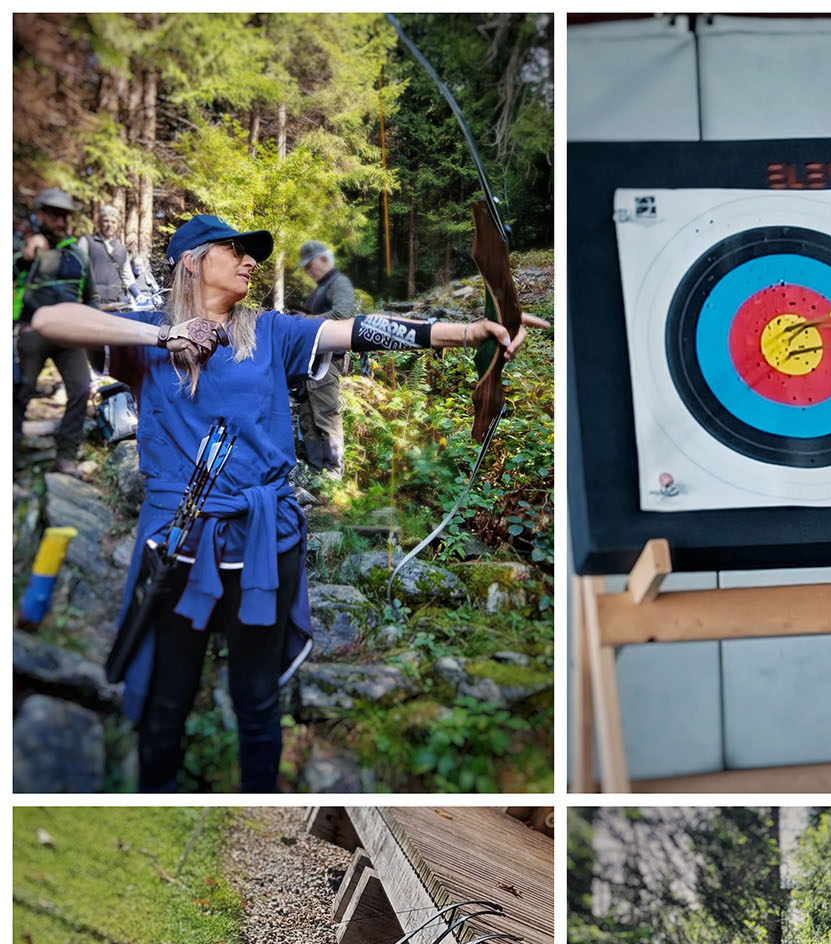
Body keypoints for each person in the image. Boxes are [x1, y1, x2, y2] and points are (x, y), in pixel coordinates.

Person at [29, 210, 545, 793]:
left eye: (254, 253)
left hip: (263, 542)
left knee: (256, 699)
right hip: (177, 541)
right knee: (167, 702)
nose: (252, 261)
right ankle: (156, 797)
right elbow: (49, 318)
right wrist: (163, 335)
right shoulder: (146, 334)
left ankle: (260, 803)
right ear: (195, 261)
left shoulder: (271, 331)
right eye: (236, 250)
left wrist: (466, 331)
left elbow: (360, 330)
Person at [15, 187, 99, 475]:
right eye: (54, 215)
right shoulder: (26, 246)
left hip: (70, 334)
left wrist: (93, 326)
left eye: (64, 215)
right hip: (31, 331)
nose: (60, 220)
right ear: (40, 215)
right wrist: (26, 256)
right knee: (20, 390)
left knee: (81, 389)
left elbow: (92, 297)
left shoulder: (77, 254)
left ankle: (65, 457)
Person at [296, 240, 355, 477]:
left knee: (326, 414)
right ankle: (315, 469)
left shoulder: (339, 282)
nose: (307, 272)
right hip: (312, 361)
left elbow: (343, 314)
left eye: (309, 266)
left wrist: (302, 322)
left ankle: (333, 472)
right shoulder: (320, 288)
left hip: (328, 360)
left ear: (323, 259)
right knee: (308, 417)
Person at [81, 202, 134, 310]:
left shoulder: (121, 249)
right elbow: (78, 270)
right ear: (99, 223)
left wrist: (137, 294)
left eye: (113, 222)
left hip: (116, 304)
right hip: (93, 304)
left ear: (117, 225)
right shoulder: (87, 242)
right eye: (106, 221)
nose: (110, 225)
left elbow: (127, 276)